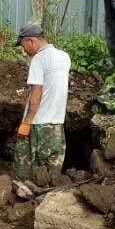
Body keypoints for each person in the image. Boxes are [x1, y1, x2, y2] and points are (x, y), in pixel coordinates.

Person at [13, 21, 71, 183]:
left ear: (31, 41)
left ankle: (27, 199)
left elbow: (36, 95)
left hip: (40, 125)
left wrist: (27, 122)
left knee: (33, 168)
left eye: (23, 45)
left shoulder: (38, 60)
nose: (24, 50)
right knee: (52, 170)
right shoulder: (64, 57)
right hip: (57, 124)